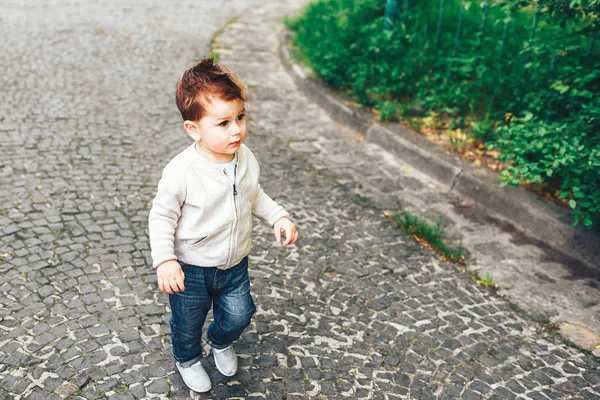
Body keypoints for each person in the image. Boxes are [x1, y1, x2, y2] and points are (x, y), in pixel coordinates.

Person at [148, 58, 298, 393]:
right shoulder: (182, 171)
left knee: (240, 314)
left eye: (240, 118)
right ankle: (186, 358)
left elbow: (252, 194)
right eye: (224, 123)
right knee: (187, 323)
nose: (237, 130)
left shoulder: (245, 157)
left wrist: (278, 216)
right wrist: (166, 260)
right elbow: (161, 215)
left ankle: (219, 341)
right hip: (192, 268)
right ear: (194, 128)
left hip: (234, 264)